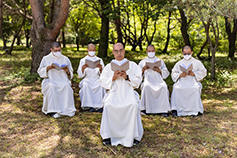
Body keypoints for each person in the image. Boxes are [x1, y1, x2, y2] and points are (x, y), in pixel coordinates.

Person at [100, 43, 143, 147]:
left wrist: (127, 77)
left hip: (128, 93)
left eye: (120, 50)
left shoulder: (132, 65)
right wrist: (113, 78)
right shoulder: (108, 67)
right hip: (114, 94)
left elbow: (138, 81)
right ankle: (108, 135)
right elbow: (102, 81)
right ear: (113, 52)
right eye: (116, 51)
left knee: (132, 105)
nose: (118, 53)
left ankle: (133, 135)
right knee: (109, 105)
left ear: (124, 51)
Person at [37, 42, 76, 118]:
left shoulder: (65, 59)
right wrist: (47, 68)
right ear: (51, 50)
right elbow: (40, 71)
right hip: (50, 80)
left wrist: (67, 71)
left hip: (63, 80)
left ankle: (67, 109)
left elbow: (70, 74)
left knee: (66, 86)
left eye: (59, 50)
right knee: (52, 87)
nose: (58, 52)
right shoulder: (46, 59)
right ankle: (52, 110)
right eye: (56, 50)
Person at [170, 45, 207, 117]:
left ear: (192, 52)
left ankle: (195, 110)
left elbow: (203, 72)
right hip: (182, 81)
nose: (186, 55)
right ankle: (175, 110)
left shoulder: (197, 62)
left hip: (192, 81)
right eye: (185, 53)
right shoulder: (179, 63)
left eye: (188, 53)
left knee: (194, 89)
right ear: (182, 53)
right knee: (176, 88)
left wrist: (194, 73)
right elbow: (173, 73)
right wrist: (180, 75)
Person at [138, 45, 170, 116]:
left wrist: (159, 70)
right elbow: (137, 74)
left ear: (155, 51)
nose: (151, 52)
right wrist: (143, 69)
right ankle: (145, 109)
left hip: (159, 81)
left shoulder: (160, 61)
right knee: (146, 87)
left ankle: (163, 110)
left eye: (152, 51)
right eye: (149, 51)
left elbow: (166, 72)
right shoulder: (142, 62)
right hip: (148, 81)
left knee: (163, 87)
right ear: (146, 52)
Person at [77, 44, 105, 112]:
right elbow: (80, 75)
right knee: (86, 85)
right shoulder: (83, 60)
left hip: (97, 79)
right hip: (87, 78)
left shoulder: (99, 60)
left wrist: (100, 69)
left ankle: (99, 106)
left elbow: (104, 74)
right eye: (91, 50)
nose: (92, 51)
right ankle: (88, 106)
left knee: (100, 85)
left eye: (94, 50)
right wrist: (83, 69)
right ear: (87, 50)